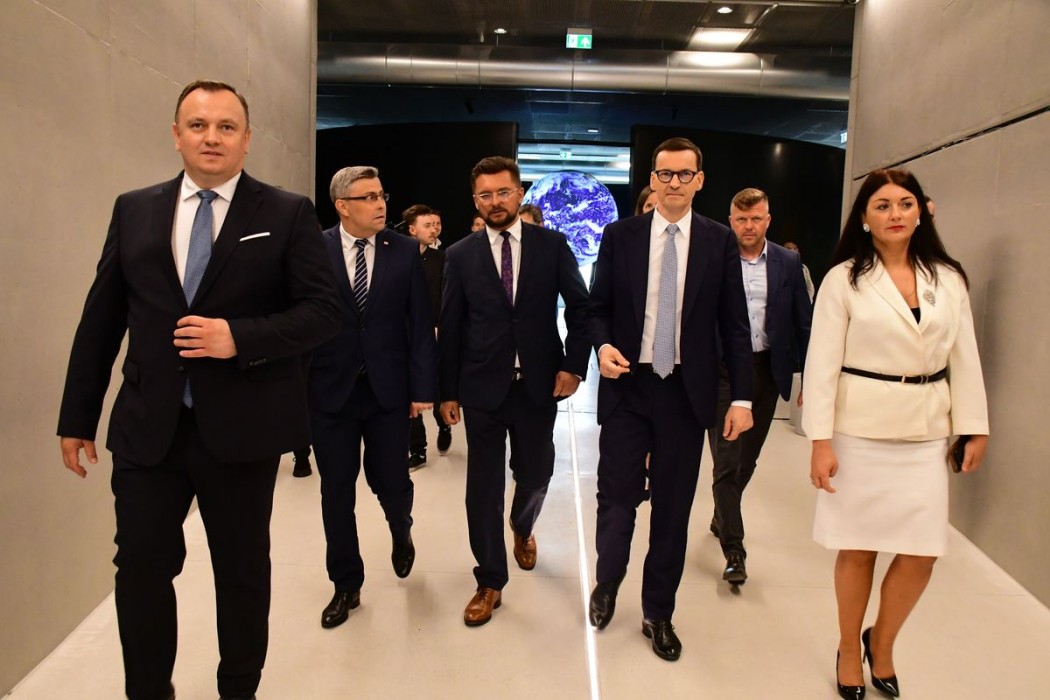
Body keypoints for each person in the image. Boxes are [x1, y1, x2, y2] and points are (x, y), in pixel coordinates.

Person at [57, 80, 341, 700]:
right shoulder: (134, 209)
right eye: (198, 125)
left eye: (226, 126)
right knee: (140, 569)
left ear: (247, 138)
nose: (211, 137)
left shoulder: (286, 212)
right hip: (148, 427)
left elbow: (325, 312)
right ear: (177, 134)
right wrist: (76, 416)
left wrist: (240, 336)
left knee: (241, 573)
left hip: (242, 429)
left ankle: (238, 689)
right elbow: (101, 318)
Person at [802, 168, 988, 699]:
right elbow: (821, 365)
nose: (895, 214)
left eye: (905, 203)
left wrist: (974, 427)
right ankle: (849, 649)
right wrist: (820, 441)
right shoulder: (844, 279)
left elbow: (965, 357)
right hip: (858, 432)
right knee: (858, 547)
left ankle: (881, 640)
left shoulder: (947, 279)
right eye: (882, 205)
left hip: (926, 431)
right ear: (864, 218)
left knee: (922, 551)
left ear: (922, 210)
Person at [588, 137, 754, 662]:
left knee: (673, 509)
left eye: (685, 174)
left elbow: (735, 323)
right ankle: (608, 580)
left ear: (699, 180)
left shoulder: (718, 241)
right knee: (617, 498)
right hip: (628, 385)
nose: (674, 182)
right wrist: (603, 346)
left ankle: (658, 611)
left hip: (686, 393)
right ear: (652, 179)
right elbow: (597, 308)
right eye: (665, 173)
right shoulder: (620, 236)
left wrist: (743, 398)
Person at [439, 156, 590, 626]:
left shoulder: (553, 245)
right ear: (475, 201)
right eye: (485, 195)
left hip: (538, 386)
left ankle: (522, 525)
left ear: (519, 192)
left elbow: (581, 308)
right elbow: (451, 325)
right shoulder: (460, 255)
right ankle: (489, 581)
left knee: (536, 472)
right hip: (481, 388)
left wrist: (573, 366)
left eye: (503, 192)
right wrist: (447, 392)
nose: (495, 202)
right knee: (482, 489)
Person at [308, 167, 437, 630]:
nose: (380, 204)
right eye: (368, 197)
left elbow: (418, 323)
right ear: (342, 206)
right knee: (336, 491)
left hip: (388, 391)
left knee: (391, 482)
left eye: (382, 195)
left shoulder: (403, 250)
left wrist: (422, 389)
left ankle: (401, 528)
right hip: (331, 392)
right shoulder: (314, 249)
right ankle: (346, 583)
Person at [706, 188, 812, 585]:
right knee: (726, 459)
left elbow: (804, 323)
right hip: (722, 372)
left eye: (756, 219)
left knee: (747, 460)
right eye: (741, 219)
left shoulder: (788, 262)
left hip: (767, 370)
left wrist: (809, 378)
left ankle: (722, 514)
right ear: (730, 221)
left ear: (768, 220)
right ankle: (734, 550)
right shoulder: (714, 259)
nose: (748, 226)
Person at [403, 203, 452, 469]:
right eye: (428, 225)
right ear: (412, 229)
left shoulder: (443, 259)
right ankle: (417, 449)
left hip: (435, 333)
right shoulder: (399, 258)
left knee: (436, 386)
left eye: (436, 225)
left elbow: (448, 297)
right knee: (409, 391)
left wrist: (440, 325)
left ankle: (444, 424)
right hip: (406, 335)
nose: (434, 230)